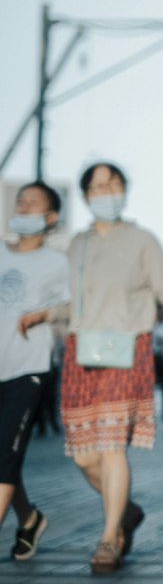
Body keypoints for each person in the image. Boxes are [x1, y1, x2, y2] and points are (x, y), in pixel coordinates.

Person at [57, 162, 163, 574]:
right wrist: (42, 316)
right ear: (86, 196)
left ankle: (109, 536)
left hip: (127, 351)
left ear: (125, 190)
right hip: (80, 355)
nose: (107, 192)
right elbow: (75, 303)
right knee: (84, 457)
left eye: (114, 184)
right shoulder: (77, 246)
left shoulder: (141, 241)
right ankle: (126, 510)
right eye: (98, 186)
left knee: (112, 447)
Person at [0, 181, 69, 562]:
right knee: (1, 457)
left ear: (50, 217)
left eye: (32, 204)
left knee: (5, 458)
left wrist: (44, 314)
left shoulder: (57, 263)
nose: (23, 207)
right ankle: (29, 518)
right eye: (20, 202)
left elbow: (76, 305)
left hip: (29, 369)